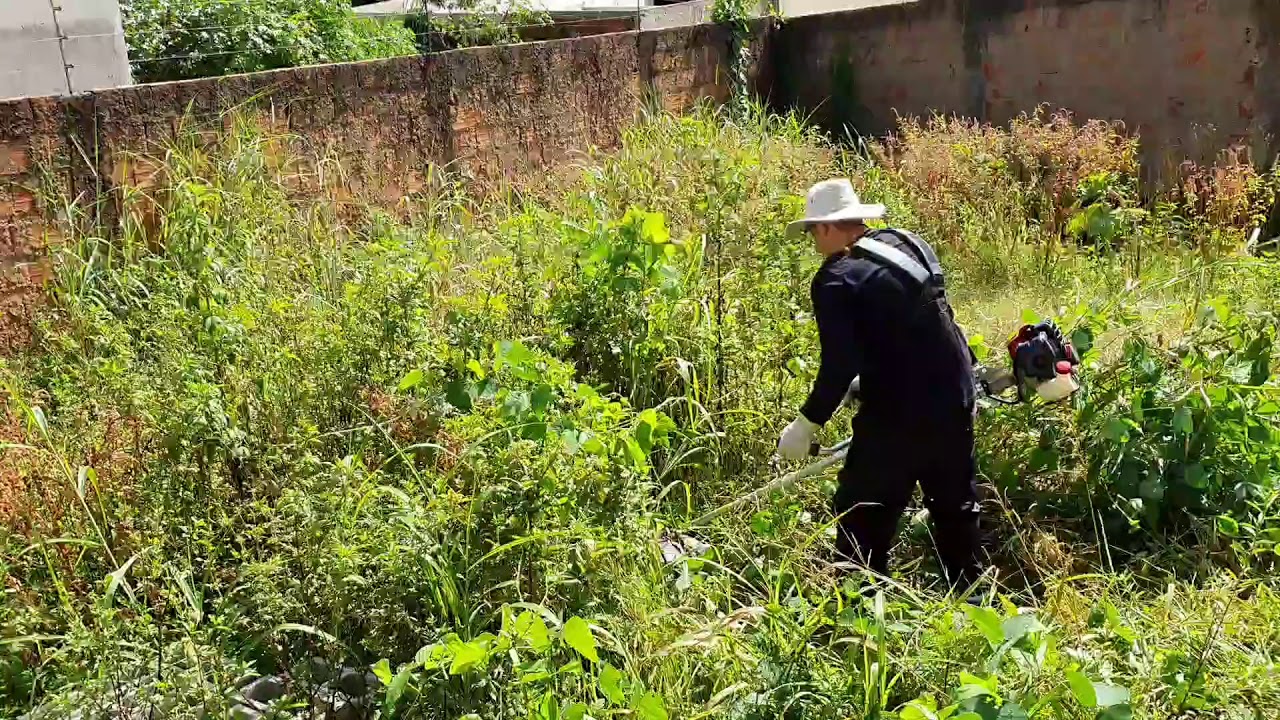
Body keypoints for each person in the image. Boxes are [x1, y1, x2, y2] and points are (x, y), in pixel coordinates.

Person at [775, 178, 984, 592]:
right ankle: (974, 604)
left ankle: (860, 616)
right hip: (956, 394)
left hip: (899, 415)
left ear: (827, 228)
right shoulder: (907, 243)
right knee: (955, 508)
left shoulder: (835, 278)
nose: (814, 241)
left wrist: (806, 424)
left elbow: (838, 363)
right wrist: (865, 377)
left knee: (862, 515)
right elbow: (926, 321)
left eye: (814, 231)